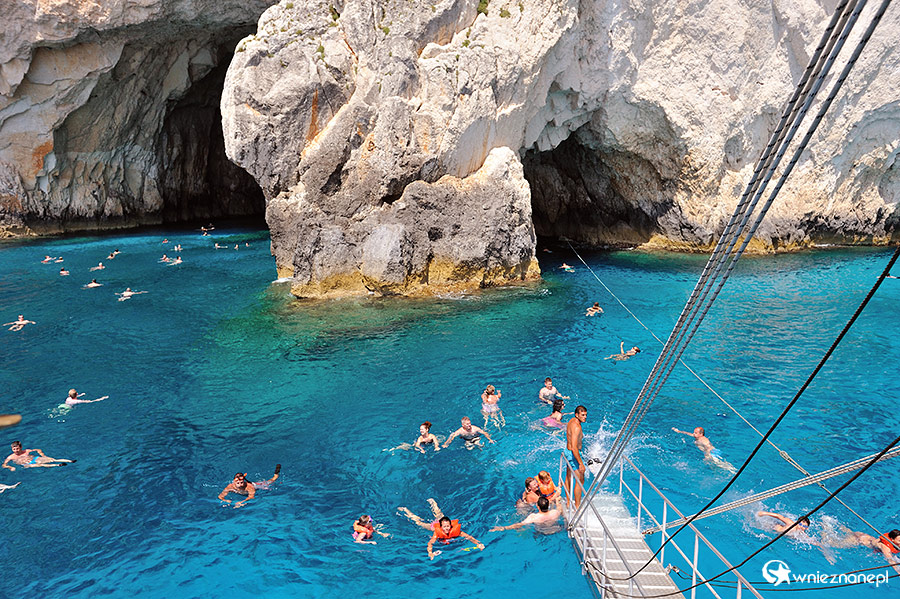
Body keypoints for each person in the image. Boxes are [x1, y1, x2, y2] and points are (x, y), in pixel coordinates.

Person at [397, 498, 484, 560]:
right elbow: (430, 543)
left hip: (442, 521)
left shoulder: (457, 531)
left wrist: (478, 544)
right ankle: (406, 510)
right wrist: (430, 552)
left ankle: (432, 502)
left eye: (448, 526)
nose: (447, 528)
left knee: (439, 514)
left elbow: (469, 537)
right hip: (433, 526)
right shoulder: (437, 532)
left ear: (450, 525)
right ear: (441, 527)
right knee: (419, 523)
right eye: (445, 527)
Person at [830, 528, 900, 575]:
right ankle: (824, 532)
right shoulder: (885, 547)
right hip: (859, 540)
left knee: (848, 533)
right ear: (892, 539)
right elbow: (890, 560)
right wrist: (898, 572)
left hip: (864, 536)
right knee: (835, 544)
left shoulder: (895, 543)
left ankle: (842, 528)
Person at [491, 496, 562, 533]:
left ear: (538, 506)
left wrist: (504, 528)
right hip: (555, 530)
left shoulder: (534, 517)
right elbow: (560, 508)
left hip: (542, 532)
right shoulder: (555, 512)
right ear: (548, 505)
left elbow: (519, 524)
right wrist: (557, 501)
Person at [566, 406, 588, 508]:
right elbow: (575, 448)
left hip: (567, 451)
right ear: (577, 415)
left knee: (568, 476)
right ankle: (577, 506)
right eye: (582, 415)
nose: (585, 417)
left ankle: (568, 502)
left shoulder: (572, 421)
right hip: (573, 454)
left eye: (586, 415)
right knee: (580, 480)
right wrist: (581, 463)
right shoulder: (577, 427)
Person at [2, 441, 75, 470]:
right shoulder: (11, 457)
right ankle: (58, 465)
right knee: (41, 465)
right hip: (27, 464)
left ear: (20, 447)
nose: (16, 451)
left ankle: (70, 461)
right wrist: (10, 467)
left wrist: (43, 455)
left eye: (17, 449)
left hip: (34, 459)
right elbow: (4, 465)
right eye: (14, 449)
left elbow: (38, 449)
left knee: (52, 459)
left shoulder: (26, 451)